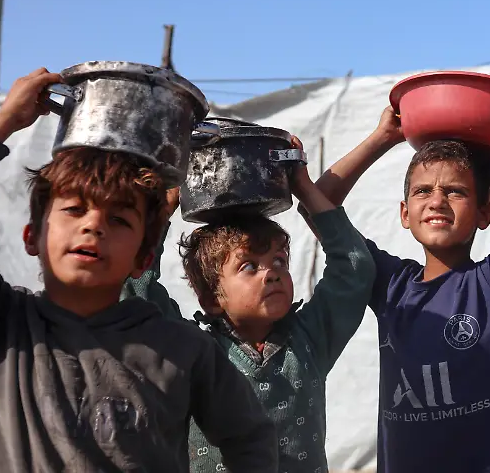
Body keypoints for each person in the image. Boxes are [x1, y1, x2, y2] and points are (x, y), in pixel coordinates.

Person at [0, 68, 278, 473]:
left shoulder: (183, 348)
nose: (93, 225)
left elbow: (250, 440)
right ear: (32, 238)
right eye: (74, 209)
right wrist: (5, 120)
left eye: (119, 220)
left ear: (143, 258)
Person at [308, 106, 490, 473]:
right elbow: (318, 201)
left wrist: (473, 171)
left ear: (485, 213)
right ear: (405, 214)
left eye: (455, 192)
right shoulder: (388, 284)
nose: (437, 200)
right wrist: (382, 138)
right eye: (423, 191)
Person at [122, 137, 377, 473]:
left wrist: (302, 186)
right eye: (249, 267)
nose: (271, 273)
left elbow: (355, 268)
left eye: (279, 261)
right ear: (212, 298)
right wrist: (163, 209)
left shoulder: (311, 340)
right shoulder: (194, 350)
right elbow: (135, 288)